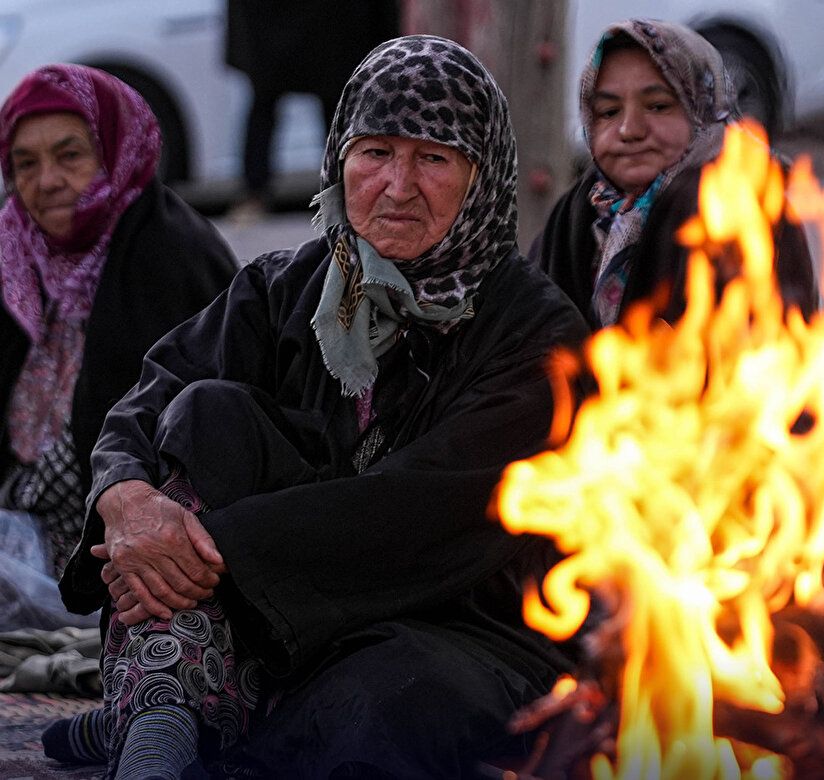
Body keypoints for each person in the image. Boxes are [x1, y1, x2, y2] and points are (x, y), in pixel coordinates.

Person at [45, 36, 590, 778]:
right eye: (374, 152)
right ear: (338, 157)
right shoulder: (287, 286)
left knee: (384, 706)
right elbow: (156, 394)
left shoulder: (537, 335)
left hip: (460, 624)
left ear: (482, 175)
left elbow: (424, 511)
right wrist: (127, 500)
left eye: (433, 158)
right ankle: (171, 710)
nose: (397, 186)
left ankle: (167, 711)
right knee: (208, 410)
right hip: (270, 607)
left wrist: (202, 554)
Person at [0, 64, 239, 632]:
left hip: (117, 549)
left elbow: (205, 429)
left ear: (116, 152)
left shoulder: (172, 255)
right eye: (25, 164)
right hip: (17, 525)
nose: (47, 181)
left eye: (71, 156)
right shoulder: (14, 250)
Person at [528, 18, 819, 329]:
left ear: (703, 112)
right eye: (609, 112)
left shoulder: (740, 207)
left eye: (657, 106)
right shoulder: (575, 215)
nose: (629, 130)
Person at [225, 0, 400, 220]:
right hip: (272, 19)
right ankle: (254, 191)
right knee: (266, 98)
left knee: (335, 100)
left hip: (331, 19)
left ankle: (343, 189)